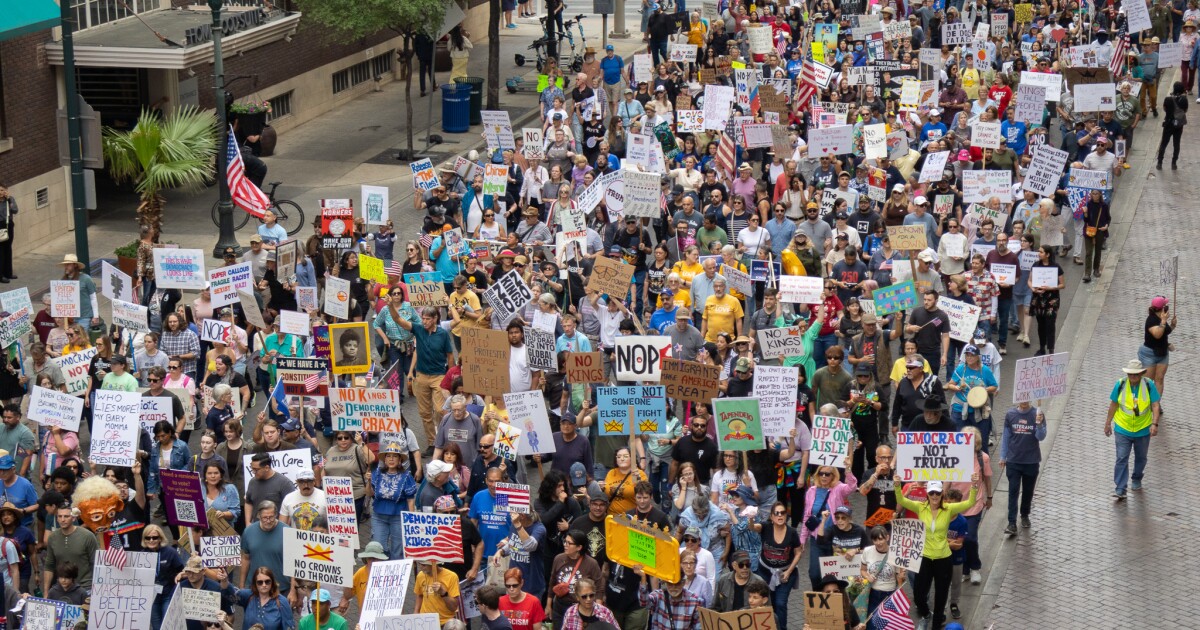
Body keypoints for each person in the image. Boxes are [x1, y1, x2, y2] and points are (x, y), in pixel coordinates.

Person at [892, 476, 979, 630]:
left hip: (943, 558)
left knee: (941, 595)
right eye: (931, 493)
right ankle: (926, 614)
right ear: (927, 494)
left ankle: (936, 625)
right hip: (924, 557)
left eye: (937, 493)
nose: (934, 496)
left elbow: (970, 502)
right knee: (919, 595)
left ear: (941, 495)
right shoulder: (920, 507)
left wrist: (974, 485)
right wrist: (898, 486)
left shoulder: (949, 508)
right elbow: (902, 501)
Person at [1105, 359, 1162, 500]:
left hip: (1143, 429)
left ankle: (1137, 478)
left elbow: (1155, 406)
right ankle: (1120, 488)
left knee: (1141, 458)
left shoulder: (1149, 385)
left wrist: (1154, 424)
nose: (1133, 377)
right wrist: (1107, 423)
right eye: (1130, 374)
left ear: (1142, 373)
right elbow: (1113, 405)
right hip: (1122, 428)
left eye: (1136, 374)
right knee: (1121, 457)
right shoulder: (1120, 384)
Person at [547, 531, 603, 629]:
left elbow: (599, 588)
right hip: (560, 606)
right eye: (565, 542)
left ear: (579, 547)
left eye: (569, 543)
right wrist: (548, 605)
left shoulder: (591, 564)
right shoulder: (558, 559)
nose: (565, 545)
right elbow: (552, 582)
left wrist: (598, 611)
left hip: (580, 608)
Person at [240, 501, 290, 596]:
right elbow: (245, 559)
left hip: (281, 589)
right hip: (255, 587)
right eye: (265, 518)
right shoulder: (248, 532)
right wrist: (242, 586)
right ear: (259, 516)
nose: (268, 520)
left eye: (271, 517)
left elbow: (293, 562)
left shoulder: (287, 531)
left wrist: (293, 590)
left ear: (276, 514)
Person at [1141, 295, 1177, 403]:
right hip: (1149, 354)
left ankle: (1156, 403)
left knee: (1159, 379)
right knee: (1148, 381)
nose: (1167, 307)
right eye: (1165, 305)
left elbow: (1165, 332)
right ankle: (1144, 403)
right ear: (1162, 308)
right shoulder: (1151, 320)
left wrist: (1172, 326)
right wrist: (1163, 321)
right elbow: (1157, 334)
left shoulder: (1162, 319)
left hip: (1162, 353)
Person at [1157, 80, 1189, 169]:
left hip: (1168, 124)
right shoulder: (1184, 99)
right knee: (1176, 143)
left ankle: (1159, 162)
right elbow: (1185, 110)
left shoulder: (1168, 99)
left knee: (1164, 143)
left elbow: (1164, 109)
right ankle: (1174, 163)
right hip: (1179, 125)